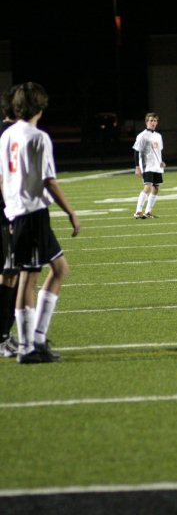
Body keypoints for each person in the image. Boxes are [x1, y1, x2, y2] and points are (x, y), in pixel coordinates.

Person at [0, 82, 80, 364]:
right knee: (30, 277)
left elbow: (3, 179)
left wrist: (9, 210)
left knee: (58, 269)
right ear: (40, 106)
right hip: (32, 214)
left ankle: (34, 340)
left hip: (19, 213)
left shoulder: (7, 135)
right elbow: (49, 180)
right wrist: (71, 211)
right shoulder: (38, 137)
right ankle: (29, 346)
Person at [0, 87, 21, 358]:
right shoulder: (8, 135)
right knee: (9, 274)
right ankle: (3, 337)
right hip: (5, 213)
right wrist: (12, 210)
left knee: (10, 274)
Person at [133, 112, 165, 219]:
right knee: (147, 187)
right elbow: (136, 151)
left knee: (156, 188)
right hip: (147, 166)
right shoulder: (142, 136)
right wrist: (137, 167)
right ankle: (138, 211)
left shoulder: (158, 136)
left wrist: (161, 161)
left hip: (157, 166)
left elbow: (158, 151)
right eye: (151, 120)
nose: (153, 123)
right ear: (146, 122)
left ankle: (148, 212)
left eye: (155, 121)